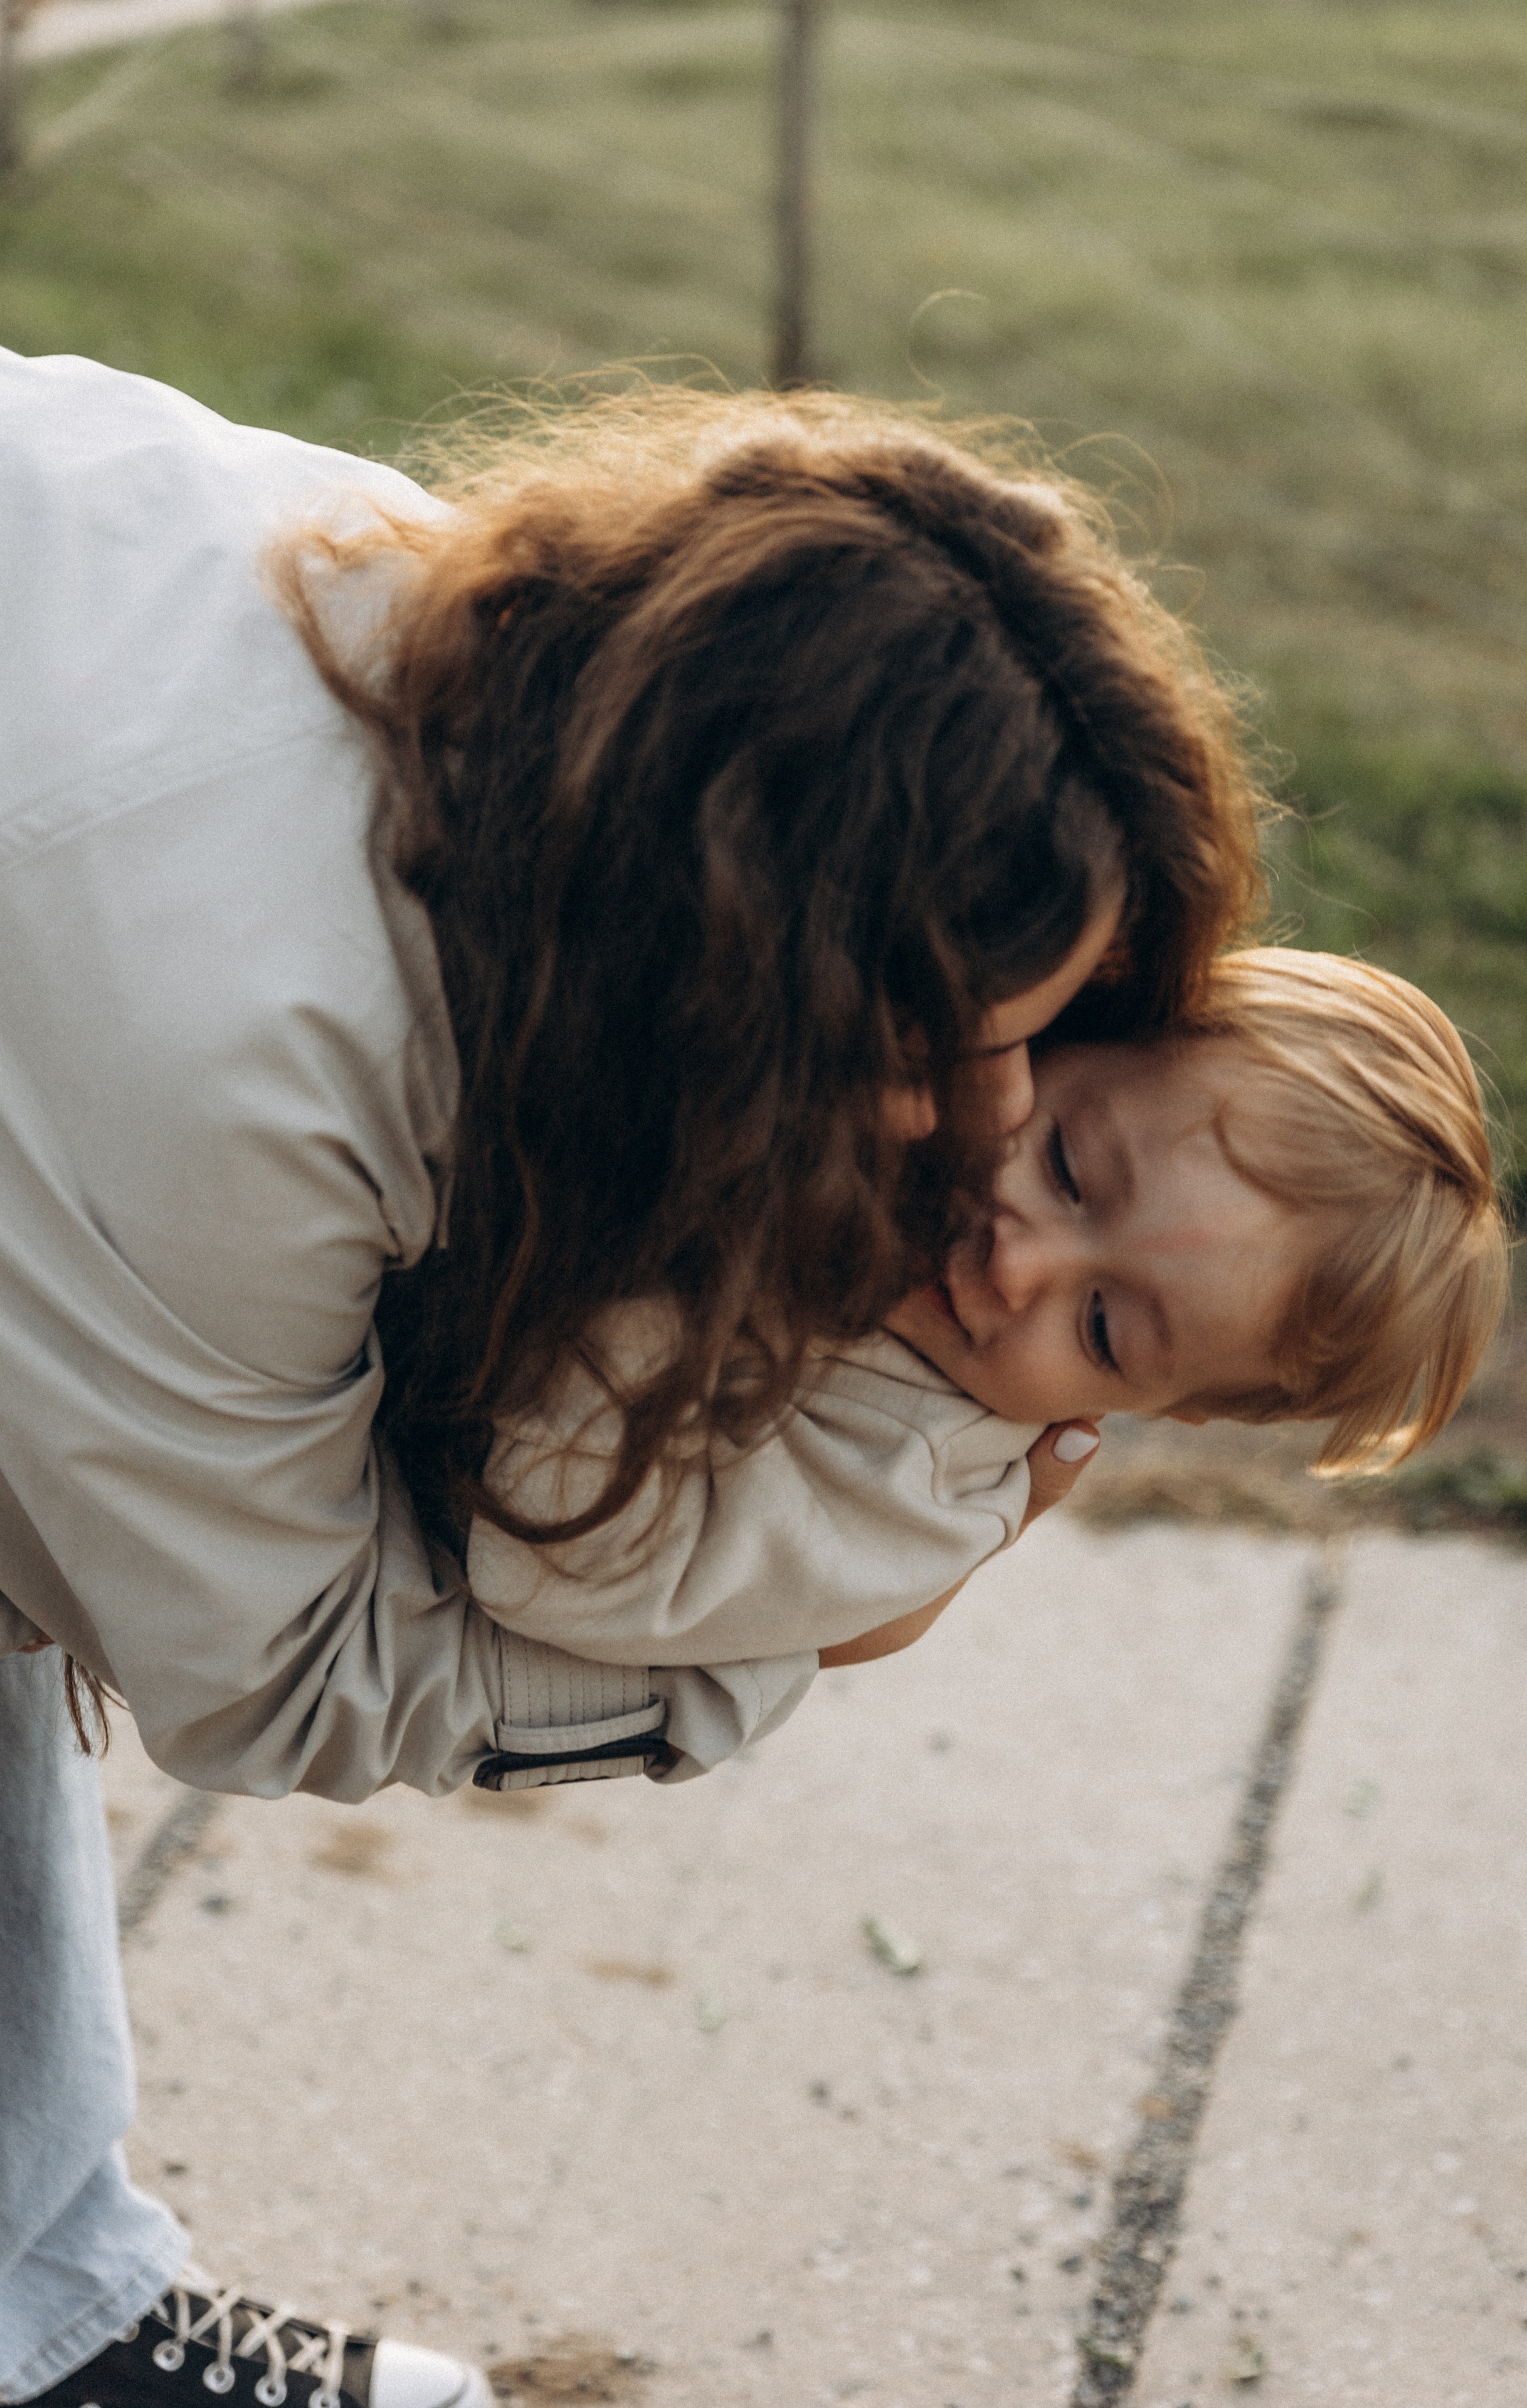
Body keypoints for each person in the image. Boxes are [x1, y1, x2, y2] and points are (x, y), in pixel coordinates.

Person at [0, 347, 1264, 2408]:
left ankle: (48, 2305)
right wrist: (798, 1639)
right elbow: (283, 1675)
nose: (974, 1127)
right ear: (732, 955)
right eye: (931, 1040)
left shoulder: (487, 662)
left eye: (1036, 1047)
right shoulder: (242, 1046)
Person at [464, 946, 1509, 1751]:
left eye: (1102, 1328)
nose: (1021, 1266)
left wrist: (734, 1229)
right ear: (1055, 1035)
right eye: (1065, 1165)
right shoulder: (874, 1057)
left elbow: (555, 1565)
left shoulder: (913, 1489)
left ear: (1165, 1408)